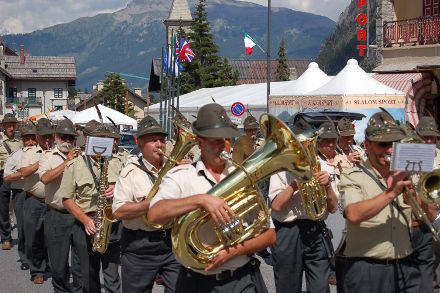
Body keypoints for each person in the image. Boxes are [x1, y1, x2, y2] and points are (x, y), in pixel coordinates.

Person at [148, 103, 275, 293]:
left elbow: (270, 235)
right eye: (216, 140)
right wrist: (201, 200)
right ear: (200, 143)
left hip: (241, 279)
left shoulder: (243, 178)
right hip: (196, 282)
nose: (223, 145)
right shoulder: (181, 176)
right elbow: (154, 214)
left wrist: (235, 251)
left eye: (226, 139)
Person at [338, 111, 426, 292]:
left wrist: (419, 197)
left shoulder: (406, 173)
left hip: (406, 265)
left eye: (395, 144)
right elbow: (353, 214)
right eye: (383, 144)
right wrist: (391, 193)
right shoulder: (353, 175)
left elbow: (428, 217)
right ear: (368, 145)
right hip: (367, 270)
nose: (390, 150)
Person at [268, 119, 339, 293]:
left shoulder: (325, 168)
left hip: (315, 228)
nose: (304, 150)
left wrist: (328, 186)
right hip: (287, 231)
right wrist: (296, 183)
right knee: (288, 286)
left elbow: (333, 208)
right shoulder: (280, 169)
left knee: (320, 286)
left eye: (308, 144)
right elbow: (276, 206)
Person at [113, 116, 181, 293]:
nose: (160, 144)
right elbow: (118, 211)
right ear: (141, 145)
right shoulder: (130, 172)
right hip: (139, 247)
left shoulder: (175, 169)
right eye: (153, 140)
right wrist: (150, 204)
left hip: (171, 244)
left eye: (162, 140)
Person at [60, 123, 120, 293]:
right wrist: (86, 220)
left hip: (111, 225)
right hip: (85, 223)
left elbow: (128, 191)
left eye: (104, 138)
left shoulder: (115, 162)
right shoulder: (75, 165)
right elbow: (67, 199)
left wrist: (117, 190)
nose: (101, 142)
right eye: (97, 138)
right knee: (89, 276)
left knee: (112, 277)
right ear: (87, 140)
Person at [38, 118, 82, 292]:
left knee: (80, 263)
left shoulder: (82, 157)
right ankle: (61, 289)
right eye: (64, 137)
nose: (67, 141)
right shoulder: (47, 157)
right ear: (56, 137)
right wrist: (66, 163)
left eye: (71, 138)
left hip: (78, 214)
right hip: (56, 215)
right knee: (58, 264)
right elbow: (45, 178)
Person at [21, 118, 54, 284]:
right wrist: (40, 162)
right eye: (43, 137)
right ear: (37, 137)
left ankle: (47, 264)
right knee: (34, 237)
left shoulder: (56, 151)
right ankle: (37, 271)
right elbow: (24, 172)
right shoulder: (29, 152)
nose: (47, 140)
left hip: (50, 201)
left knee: (49, 236)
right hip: (33, 200)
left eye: (50, 136)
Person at [3, 123, 37, 270]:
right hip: (21, 193)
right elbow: (7, 177)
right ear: (22, 140)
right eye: (27, 139)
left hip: (37, 194)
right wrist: (22, 173)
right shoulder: (16, 156)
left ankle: (40, 258)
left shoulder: (42, 154)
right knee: (23, 227)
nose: (30, 142)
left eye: (32, 139)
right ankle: (25, 257)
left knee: (38, 228)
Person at [414, 116, 439, 293]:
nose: (428, 140)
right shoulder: (410, 156)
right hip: (420, 215)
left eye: (432, 137)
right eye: (425, 137)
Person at [0, 113, 22, 250]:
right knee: (3, 209)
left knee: (20, 207)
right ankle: (6, 237)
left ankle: (24, 237)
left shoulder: (20, 140)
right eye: (8, 125)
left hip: (18, 175)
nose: (11, 128)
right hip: (3, 175)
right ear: (3, 126)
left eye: (13, 125)